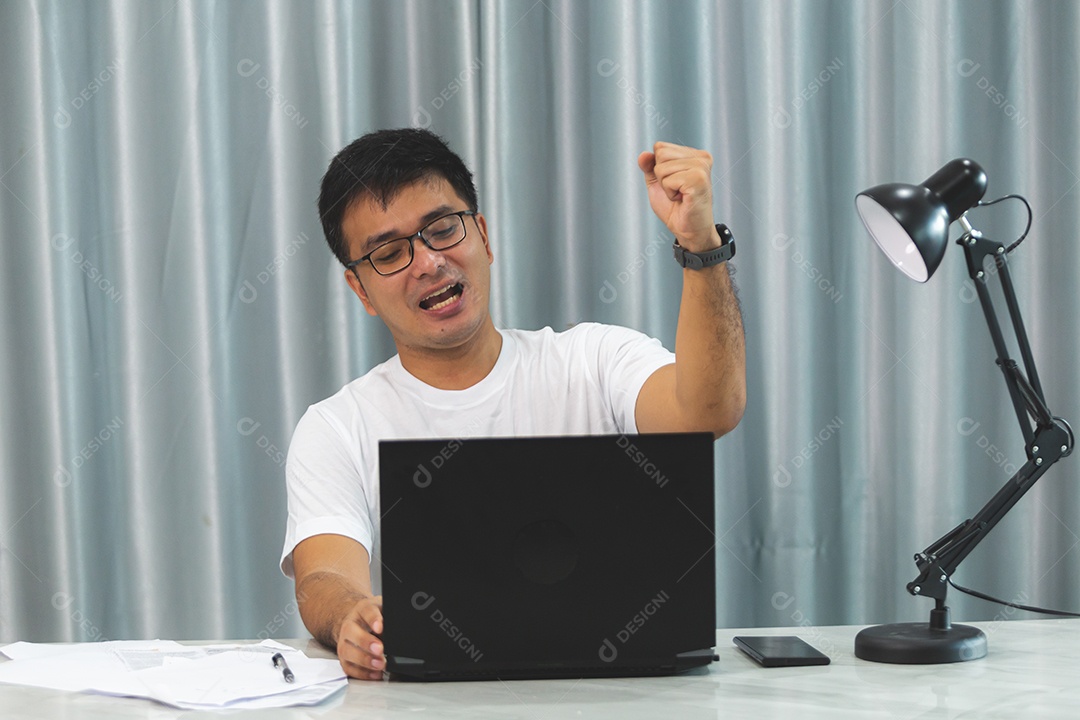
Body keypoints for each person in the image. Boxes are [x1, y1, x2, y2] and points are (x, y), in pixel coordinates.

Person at [281, 128, 746, 680]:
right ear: (361, 292)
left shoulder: (593, 360)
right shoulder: (336, 426)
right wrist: (349, 618)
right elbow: (322, 578)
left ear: (482, 234)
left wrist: (701, 247)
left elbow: (709, 412)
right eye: (389, 253)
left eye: (442, 228)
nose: (427, 263)